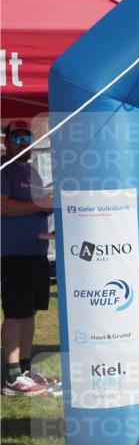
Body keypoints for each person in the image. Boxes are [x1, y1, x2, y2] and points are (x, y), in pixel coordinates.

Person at [1, 120, 59, 396]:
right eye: (19, 138)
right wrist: (39, 205)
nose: (25, 144)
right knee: (15, 313)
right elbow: (5, 207)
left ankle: (24, 368)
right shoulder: (4, 169)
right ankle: (12, 377)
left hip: (37, 251)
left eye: (29, 138)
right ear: (7, 141)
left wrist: (49, 205)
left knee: (30, 312)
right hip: (13, 253)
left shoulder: (31, 171)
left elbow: (36, 206)